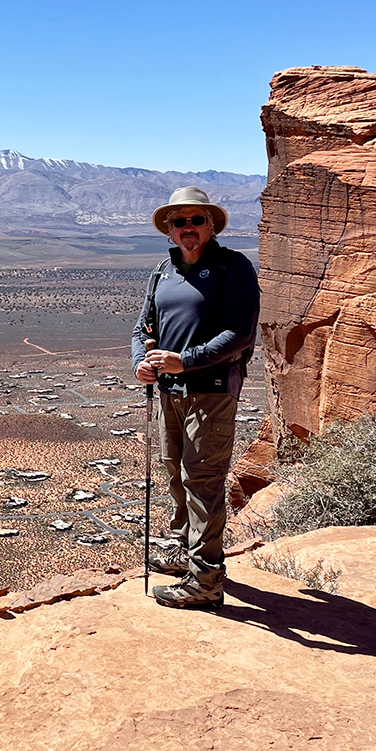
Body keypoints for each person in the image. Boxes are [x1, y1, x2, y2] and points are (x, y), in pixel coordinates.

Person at [131, 186, 260, 609]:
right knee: (174, 473)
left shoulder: (232, 267)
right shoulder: (162, 272)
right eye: (179, 222)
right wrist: (142, 361)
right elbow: (143, 329)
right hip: (170, 391)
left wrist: (184, 360)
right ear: (170, 230)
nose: (188, 228)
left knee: (202, 481)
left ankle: (205, 580)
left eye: (196, 220)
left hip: (212, 390)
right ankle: (182, 550)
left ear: (210, 225)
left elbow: (241, 332)